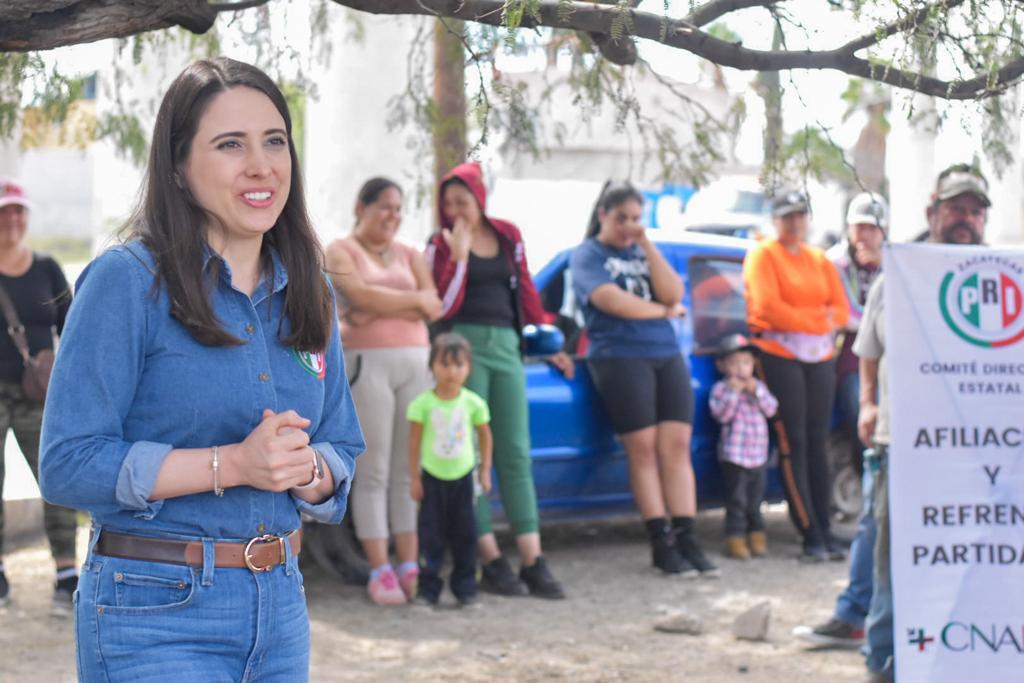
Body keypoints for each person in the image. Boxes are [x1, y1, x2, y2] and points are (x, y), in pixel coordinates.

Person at [38, 58, 364, 681]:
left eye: (275, 141)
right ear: (179, 169)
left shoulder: (312, 291)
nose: (261, 165)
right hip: (153, 611)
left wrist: (311, 470)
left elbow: (343, 443)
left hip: (282, 608)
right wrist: (233, 465)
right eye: (230, 145)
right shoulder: (125, 283)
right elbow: (66, 463)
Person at [855, 164, 989, 683]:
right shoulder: (896, 278)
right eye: (957, 207)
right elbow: (868, 351)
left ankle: (973, 655)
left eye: (976, 211)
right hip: (901, 447)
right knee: (893, 562)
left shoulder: (1003, 279)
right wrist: (867, 402)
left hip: (981, 453)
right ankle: (884, 661)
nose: (966, 219)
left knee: (981, 561)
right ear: (932, 211)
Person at [427, 161, 572, 600]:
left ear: (479, 198)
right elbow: (442, 307)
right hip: (461, 349)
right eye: (448, 204)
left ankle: (533, 557)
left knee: (513, 451)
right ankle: (489, 555)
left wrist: (547, 338)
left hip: (508, 347)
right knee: (470, 454)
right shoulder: (439, 244)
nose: (456, 210)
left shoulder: (508, 235)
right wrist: (459, 256)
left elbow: (525, 289)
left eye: (462, 201)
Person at [570, 181, 718, 577]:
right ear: (604, 215)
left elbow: (673, 293)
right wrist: (661, 312)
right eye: (622, 219)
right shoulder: (587, 255)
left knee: (677, 445)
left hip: (664, 353)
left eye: (636, 219)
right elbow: (609, 300)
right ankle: (661, 540)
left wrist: (648, 245)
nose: (629, 227)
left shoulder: (641, 250)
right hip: (620, 356)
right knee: (644, 448)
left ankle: (688, 536)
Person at [326, 178, 441, 605]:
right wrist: (408, 300)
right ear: (362, 205)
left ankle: (409, 563)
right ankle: (380, 568)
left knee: (407, 471)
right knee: (372, 471)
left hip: (416, 364)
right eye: (384, 207)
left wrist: (380, 301)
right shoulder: (340, 250)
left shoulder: (412, 253)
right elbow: (358, 296)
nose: (393, 216)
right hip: (367, 365)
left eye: (399, 208)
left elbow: (434, 302)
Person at [794, 192, 888, 647]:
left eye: (871, 226)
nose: (864, 234)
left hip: (892, 379)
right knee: (857, 419)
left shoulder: (896, 266)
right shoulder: (834, 264)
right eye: (859, 226)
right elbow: (845, 317)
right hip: (845, 366)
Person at [742, 189, 849, 563]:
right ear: (776, 221)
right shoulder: (763, 256)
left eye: (800, 216)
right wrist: (813, 322)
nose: (795, 223)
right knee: (795, 440)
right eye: (787, 217)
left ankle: (826, 525)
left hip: (817, 355)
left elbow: (839, 306)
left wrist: (818, 323)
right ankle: (809, 530)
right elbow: (768, 307)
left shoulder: (819, 260)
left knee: (818, 440)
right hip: (778, 353)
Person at [0, 179, 77, 614]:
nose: (11, 220)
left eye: (18, 211)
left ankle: (67, 574)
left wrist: (73, 381)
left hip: (38, 392)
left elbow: (73, 325)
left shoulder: (46, 268)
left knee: (55, 475)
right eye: (4, 211)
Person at [407, 332, 492, 607]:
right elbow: (414, 442)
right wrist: (415, 477)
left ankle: (466, 589)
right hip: (432, 478)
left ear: (468, 368)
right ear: (432, 366)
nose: (451, 372)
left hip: (464, 478)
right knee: (430, 536)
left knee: (466, 535)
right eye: (445, 364)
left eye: (459, 365)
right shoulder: (422, 404)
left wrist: (485, 470)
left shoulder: (473, 404)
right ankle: (428, 590)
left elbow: (485, 436)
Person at [708, 334, 778, 560]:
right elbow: (722, 415)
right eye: (734, 363)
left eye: (746, 363)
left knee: (756, 501)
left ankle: (757, 538)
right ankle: (735, 539)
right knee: (736, 501)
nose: (741, 368)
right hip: (734, 456)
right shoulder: (721, 389)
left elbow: (771, 410)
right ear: (722, 366)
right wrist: (734, 392)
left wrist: (755, 391)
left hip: (758, 455)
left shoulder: (758, 387)